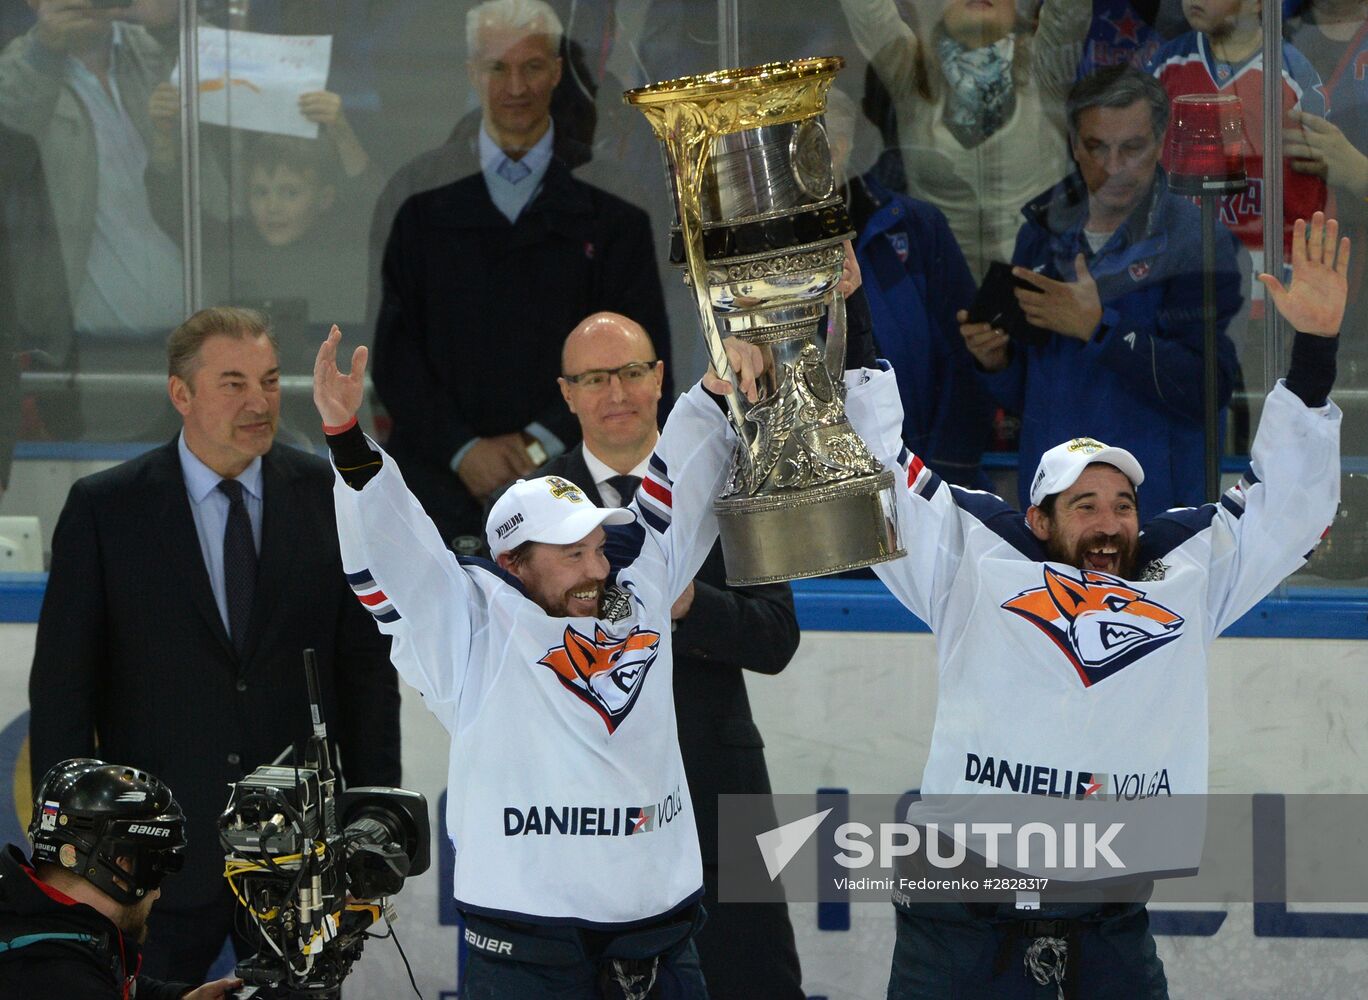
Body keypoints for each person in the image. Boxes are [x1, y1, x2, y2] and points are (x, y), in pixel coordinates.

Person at [841, 210, 1346, 997]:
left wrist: (1315, 353)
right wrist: (853, 318)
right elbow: (876, 471)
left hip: (1106, 915)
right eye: (1084, 506)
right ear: (1038, 520)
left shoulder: (1183, 576)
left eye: (1122, 503)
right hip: (961, 921)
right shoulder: (975, 561)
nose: (1110, 523)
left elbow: (1289, 510)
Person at [314, 323, 764, 998]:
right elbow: (398, 551)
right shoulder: (470, 634)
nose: (593, 570)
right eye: (568, 555)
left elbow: (684, 479)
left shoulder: (633, 590)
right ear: (513, 565)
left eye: (595, 548)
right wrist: (347, 437)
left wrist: (717, 384)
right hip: (529, 954)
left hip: (664, 941)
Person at [27, 307, 402, 985]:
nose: (259, 402)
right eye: (233, 384)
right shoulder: (106, 510)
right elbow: (62, 693)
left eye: (266, 381)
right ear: (181, 394)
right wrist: (73, 857)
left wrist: (374, 820)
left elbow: (366, 677)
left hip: (298, 863)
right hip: (151, 867)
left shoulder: (329, 496)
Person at [541, 311, 805, 998]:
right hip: (583, 804)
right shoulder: (532, 505)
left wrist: (685, 603)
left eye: (632, 372)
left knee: (755, 984)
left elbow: (776, 637)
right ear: (567, 393)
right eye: (595, 378)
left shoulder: (734, 476)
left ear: (660, 378)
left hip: (719, 788)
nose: (617, 392)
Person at [369, 0, 670, 551]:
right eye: (497, 68)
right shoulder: (414, 197)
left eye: (531, 66)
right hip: (436, 492)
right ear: (471, 73)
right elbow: (393, 352)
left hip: (580, 498)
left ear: (557, 71)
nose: (515, 86)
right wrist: (463, 450)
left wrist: (540, 447)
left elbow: (641, 351)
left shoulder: (616, 201)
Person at [959, 66, 1243, 519]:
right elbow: (1031, 392)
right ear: (1074, 145)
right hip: (1056, 509)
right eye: (1097, 148)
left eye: (1132, 148)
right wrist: (994, 361)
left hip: (1155, 514)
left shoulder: (1197, 241)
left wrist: (1099, 328)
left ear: (1160, 141)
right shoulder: (1041, 233)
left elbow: (1208, 388)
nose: (1114, 167)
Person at [835, 0, 1092, 280]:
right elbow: (867, 10)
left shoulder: (1045, 67)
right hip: (942, 295)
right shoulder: (910, 72)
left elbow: (1070, 10)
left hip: (1037, 293)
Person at [826, 86, 994, 489]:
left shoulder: (914, 229)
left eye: (820, 145)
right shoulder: (751, 251)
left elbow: (966, 359)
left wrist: (948, 474)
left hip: (927, 475)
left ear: (843, 147)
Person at [0, 757, 242, 998]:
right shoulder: (55, 976)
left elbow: (109, 980)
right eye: (154, 869)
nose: (157, 892)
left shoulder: (32, 924)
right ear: (120, 864)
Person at [1145, 0, 1328, 266]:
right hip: (1179, 260)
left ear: (1257, 3)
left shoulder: (1294, 77)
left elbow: (1311, 202)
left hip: (1264, 262)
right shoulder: (1165, 64)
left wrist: (1294, 266)